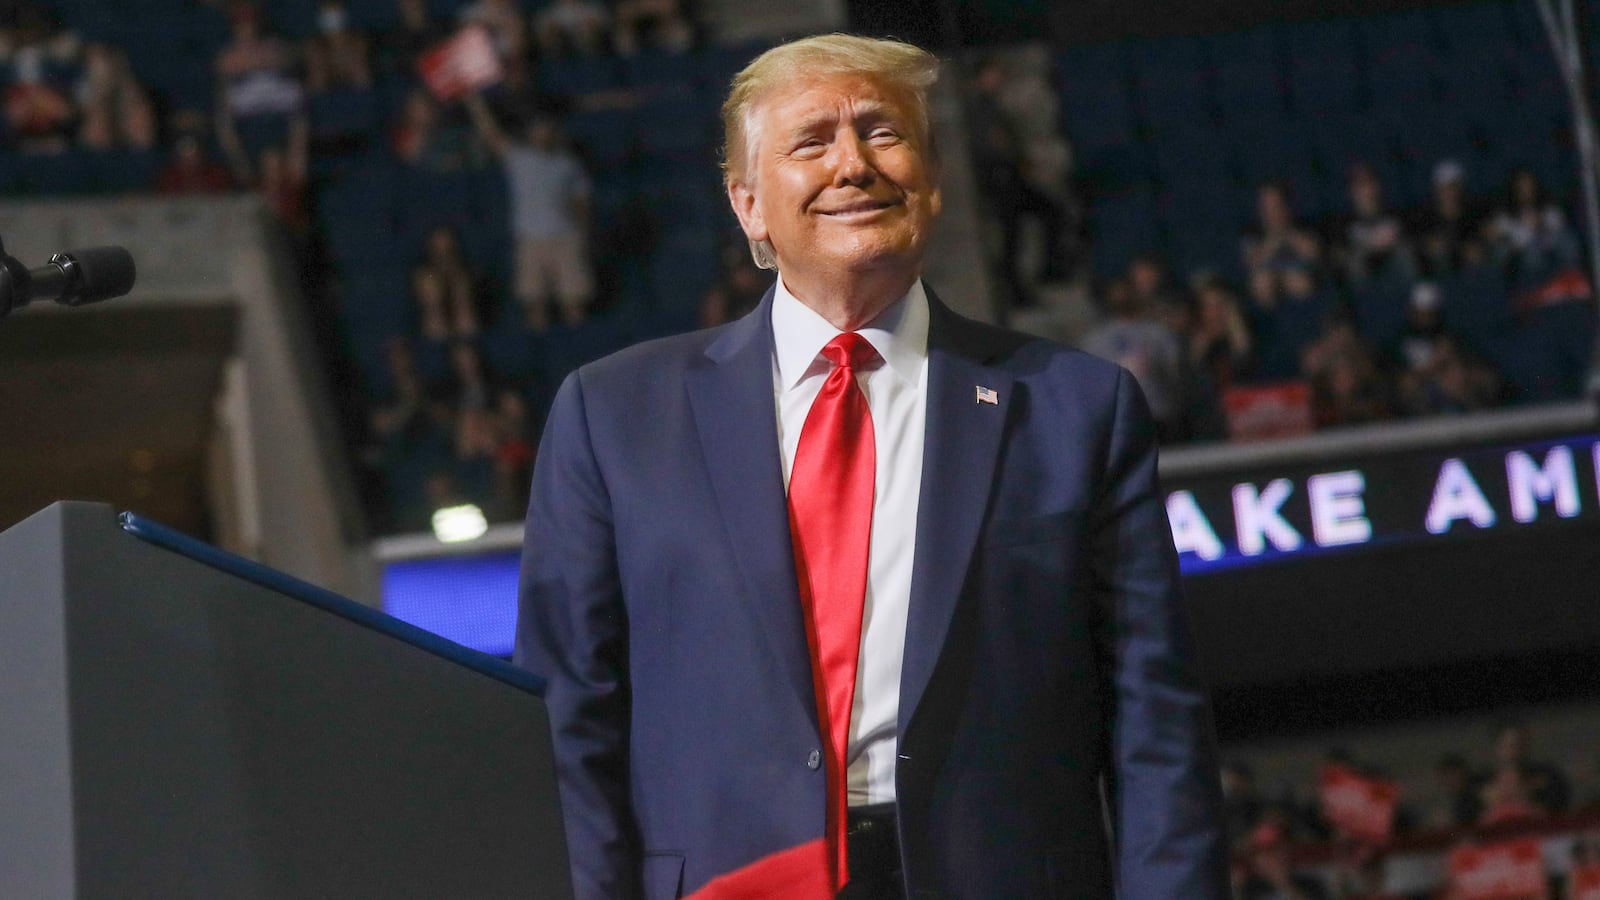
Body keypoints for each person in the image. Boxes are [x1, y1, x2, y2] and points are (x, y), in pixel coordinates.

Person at [515, 34, 1226, 900]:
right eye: (811, 141)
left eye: (883, 133)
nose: (852, 164)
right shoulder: (612, 416)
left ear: (931, 180)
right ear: (747, 206)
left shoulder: (1077, 409)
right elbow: (565, 724)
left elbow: (1155, 721)